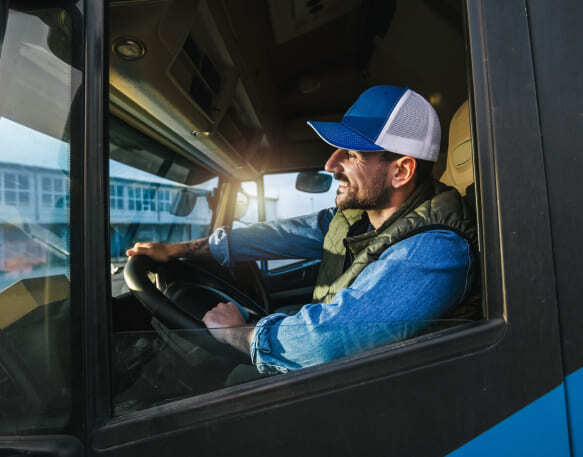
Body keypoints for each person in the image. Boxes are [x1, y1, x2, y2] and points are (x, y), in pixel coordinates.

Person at [127, 85, 477, 374]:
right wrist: (183, 250)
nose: (330, 164)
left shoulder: (434, 250)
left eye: (350, 155)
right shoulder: (359, 219)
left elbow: (327, 343)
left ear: (401, 171)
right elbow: (281, 234)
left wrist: (241, 334)